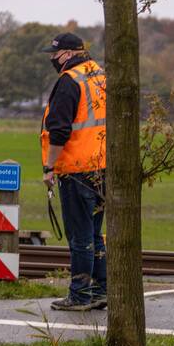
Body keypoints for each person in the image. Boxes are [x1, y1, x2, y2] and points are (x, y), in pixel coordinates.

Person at [39, 32, 108, 311]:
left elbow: (59, 130)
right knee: (93, 234)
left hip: (77, 170)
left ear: (66, 54)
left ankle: (79, 295)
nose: (53, 60)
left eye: (54, 55)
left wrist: (49, 167)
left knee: (79, 237)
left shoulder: (69, 82)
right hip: (102, 168)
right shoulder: (100, 75)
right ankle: (101, 290)